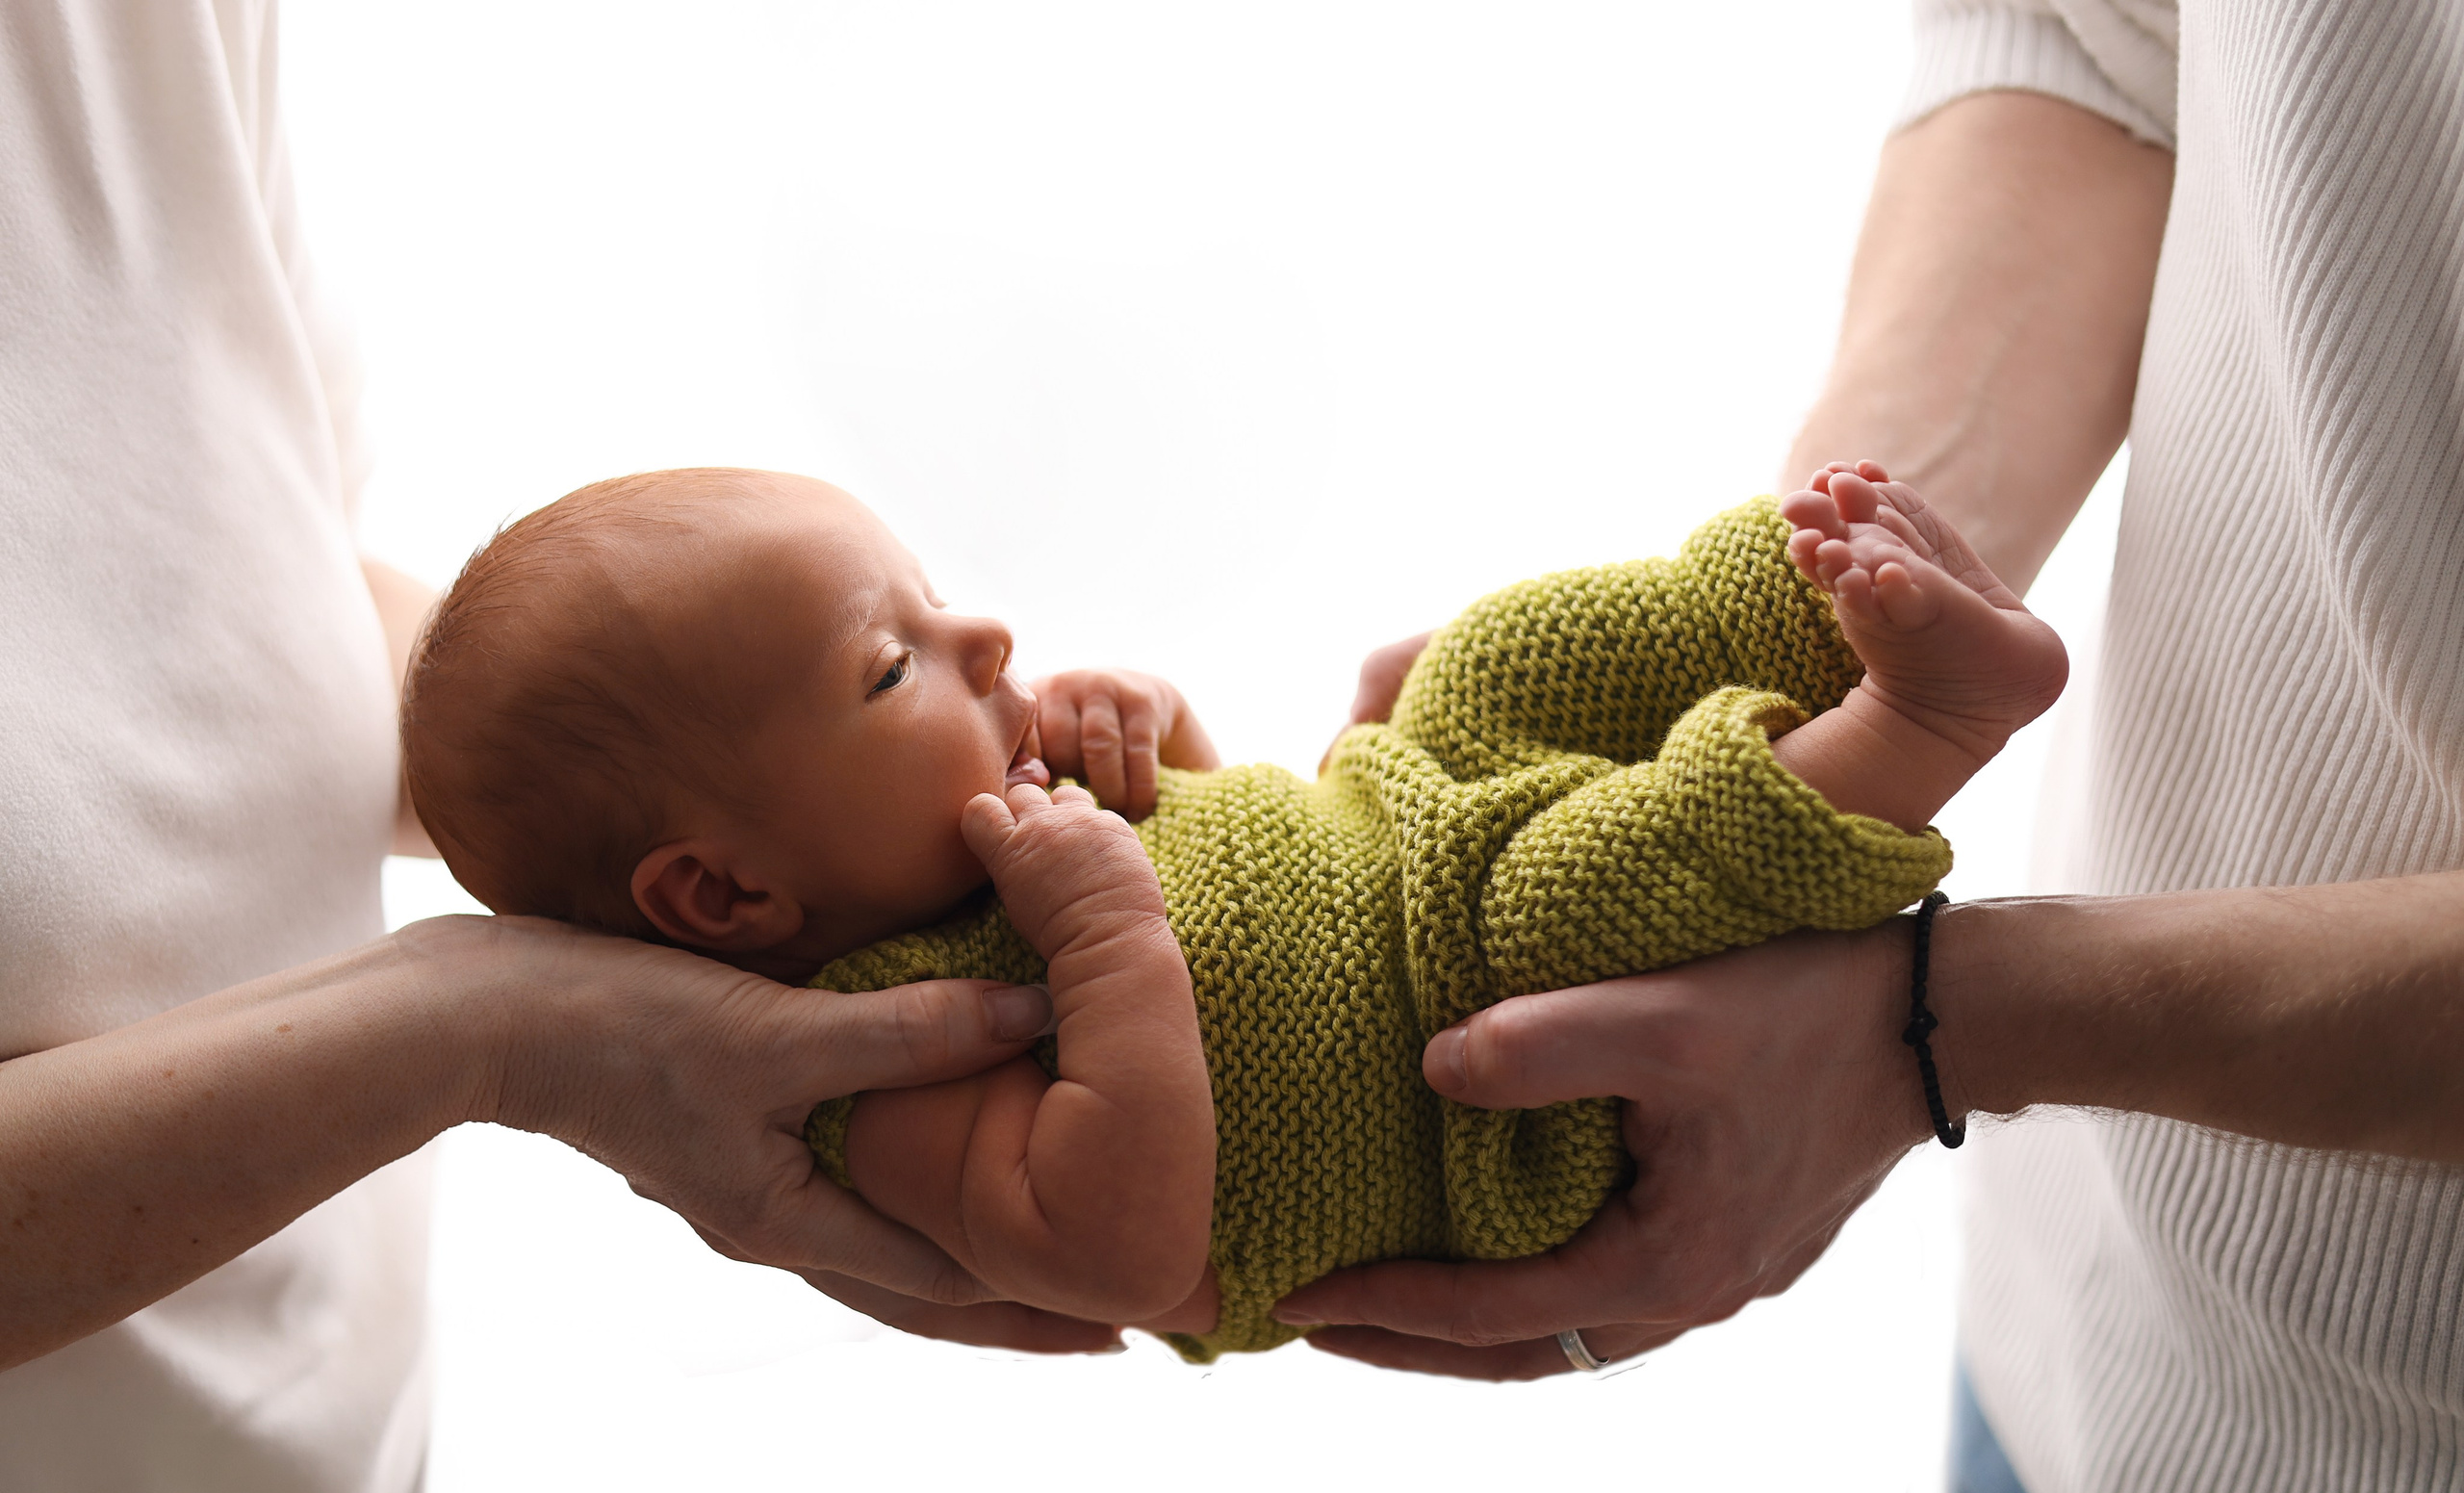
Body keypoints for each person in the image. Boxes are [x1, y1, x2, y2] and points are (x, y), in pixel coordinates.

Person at [1275, 3, 2464, 1493]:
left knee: (1569, 885)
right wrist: (1794, 616)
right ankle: (1883, 715)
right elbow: (2101, 40)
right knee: (1551, 799)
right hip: (2084, 1361)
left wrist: (1938, 1026)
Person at [0, 9, 1074, 1493]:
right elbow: (1161, 1244)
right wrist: (499, 1027)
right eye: (892, 658)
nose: (991, 643)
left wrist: (778, 795)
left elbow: (261, 600)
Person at [390, 459, 2059, 1361]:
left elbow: (1227, 821)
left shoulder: (1012, 818)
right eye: (893, 663)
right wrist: (1107, 939)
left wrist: (1156, 733)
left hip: (1394, 818)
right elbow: (1125, 1248)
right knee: (1582, 892)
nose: (983, 642)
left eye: (936, 599)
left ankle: (1794, 594)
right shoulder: (856, 1071)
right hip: (1492, 1087)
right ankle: (1912, 730)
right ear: (730, 893)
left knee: (1483, 666)